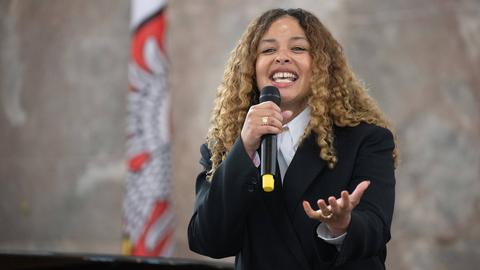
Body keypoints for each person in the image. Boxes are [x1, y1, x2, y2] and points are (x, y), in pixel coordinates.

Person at [188, 8, 397, 270]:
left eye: (298, 48)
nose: (282, 58)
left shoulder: (367, 139)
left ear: (321, 65)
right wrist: (245, 149)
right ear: (251, 68)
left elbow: (376, 230)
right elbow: (208, 241)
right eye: (268, 50)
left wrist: (342, 225)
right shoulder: (225, 146)